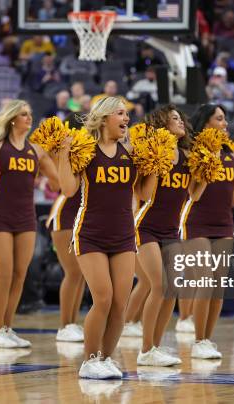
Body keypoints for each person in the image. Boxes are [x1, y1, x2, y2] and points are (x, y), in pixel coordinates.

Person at [57, 96, 156, 379]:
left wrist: (155, 167)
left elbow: (146, 195)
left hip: (124, 234)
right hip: (90, 233)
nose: (126, 119)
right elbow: (67, 189)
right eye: (121, 114)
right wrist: (64, 155)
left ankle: (106, 358)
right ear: (104, 119)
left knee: (119, 303)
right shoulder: (85, 150)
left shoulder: (133, 152)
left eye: (127, 115)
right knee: (103, 298)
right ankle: (89, 361)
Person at [179, 104, 234, 359]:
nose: (225, 124)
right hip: (195, 220)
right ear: (206, 122)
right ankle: (198, 340)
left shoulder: (231, 155)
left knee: (218, 285)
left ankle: (207, 340)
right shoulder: (192, 151)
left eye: (225, 120)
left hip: (223, 223)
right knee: (204, 279)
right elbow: (190, 191)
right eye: (220, 119)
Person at [0, 100, 59, 349]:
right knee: (4, 274)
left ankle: (7, 327)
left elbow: (59, 184)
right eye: (24, 114)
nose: (29, 118)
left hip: (26, 216)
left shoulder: (36, 151)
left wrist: (62, 153)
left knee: (19, 275)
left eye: (30, 114)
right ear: (12, 119)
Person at [134, 105, 192, 367]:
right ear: (162, 125)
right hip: (144, 226)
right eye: (174, 119)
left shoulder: (189, 156)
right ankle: (145, 349)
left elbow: (195, 196)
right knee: (158, 285)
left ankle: (155, 347)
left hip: (171, 229)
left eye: (181, 118)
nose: (181, 122)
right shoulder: (149, 153)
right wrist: (158, 161)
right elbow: (143, 195)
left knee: (172, 288)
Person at [46, 112, 85, 343]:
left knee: (80, 274)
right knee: (72, 272)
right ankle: (64, 325)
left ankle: (72, 323)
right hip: (64, 213)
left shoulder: (90, 148)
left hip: (81, 214)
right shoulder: (65, 150)